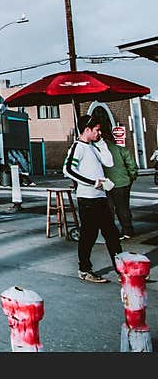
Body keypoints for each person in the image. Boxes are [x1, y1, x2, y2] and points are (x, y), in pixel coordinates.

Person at [62, 114, 123, 284]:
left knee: (111, 234)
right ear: (87, 130)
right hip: (87, 199)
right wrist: (92, 182)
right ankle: (84, 269)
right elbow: (68, 170)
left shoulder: (94, 147)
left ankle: (121, 269)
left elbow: (109, 162)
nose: (99, 132)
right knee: (89, 235)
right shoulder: (78, 147)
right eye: (96, 130)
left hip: (100, 197)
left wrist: (101, 143)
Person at [102, 137, 138, 240]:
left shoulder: (96, 150)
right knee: (123, 208)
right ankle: (127, 231)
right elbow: (132, 165)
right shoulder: (121, 149)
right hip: (122, 183)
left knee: (108, 209)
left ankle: (111, 232)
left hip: (105, 184)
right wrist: (131, 177)